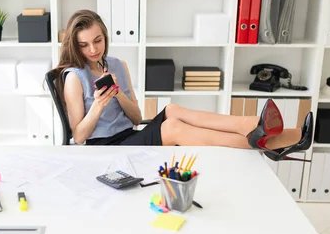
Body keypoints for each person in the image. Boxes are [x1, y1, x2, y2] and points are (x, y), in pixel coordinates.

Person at [52, 9, 313, 162]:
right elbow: (79, 136)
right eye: (84, 45)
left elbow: (136, 117)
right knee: (173, 127)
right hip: (105, 150)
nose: (93, 49)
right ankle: (275, 141)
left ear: (105, 36)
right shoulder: (75, 77)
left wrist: (117, 95)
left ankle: (274, 131)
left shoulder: (117, 65)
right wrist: (98, 105)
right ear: (75, 45)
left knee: (173, 109)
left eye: (97, 40)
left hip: (130, 136)